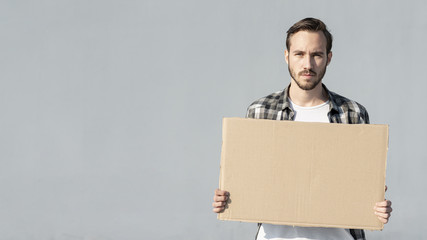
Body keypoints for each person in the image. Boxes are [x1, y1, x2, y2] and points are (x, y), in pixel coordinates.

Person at [212, 18, 392, 240]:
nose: (308, 64)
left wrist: (376, 207)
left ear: (329, 58)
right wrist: (229, 197)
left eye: (316, 54)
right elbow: (250, 182)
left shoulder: (352, 114)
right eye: (299, 54)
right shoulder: (259, 112)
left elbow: (363, 189)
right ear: (287, 56)